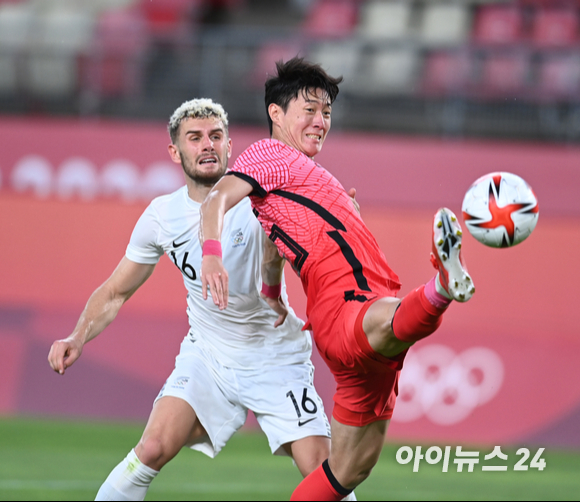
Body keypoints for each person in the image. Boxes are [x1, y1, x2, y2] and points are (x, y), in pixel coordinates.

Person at [48, 98, 357, 501]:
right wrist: (77, 337)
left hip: (274, 356)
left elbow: (297, 248)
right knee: (153, 447)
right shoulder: (162, 216)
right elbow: (115, 291)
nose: (207, 145)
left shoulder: (259, 196)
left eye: (216, 136)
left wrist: (341, 221)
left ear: (230, 146)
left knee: (321, 468)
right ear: (176, 152)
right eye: (194, 138)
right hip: (208, 354)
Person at [199, 58, 476, 500]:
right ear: (276, 113)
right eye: (309, 109)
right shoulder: (268, 154)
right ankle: (442, 286)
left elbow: (274, 239)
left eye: (326, 112)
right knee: (385, 326)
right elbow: (216, 199)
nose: (320, 121)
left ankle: (440, 289)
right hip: (342, 304)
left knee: (347, 473)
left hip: (364, 315)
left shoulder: (301, 179)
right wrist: (212, 255)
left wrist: (273, 292)